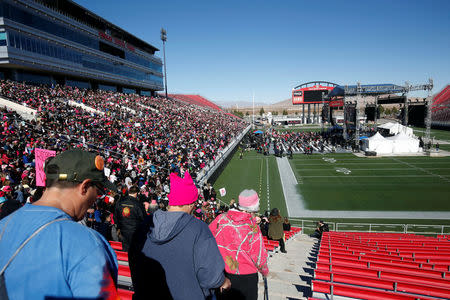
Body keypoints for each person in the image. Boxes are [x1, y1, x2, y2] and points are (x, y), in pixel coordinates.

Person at [0, 149, 118, 299]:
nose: (97, 198)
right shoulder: (87, 243)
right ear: (85, 186)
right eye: (99, 190)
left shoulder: (4, 224)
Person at [129, 172, 230, 300]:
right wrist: (223, 281)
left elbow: (133, 261)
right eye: (193, 204)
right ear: (189, 204)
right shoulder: (199, 229)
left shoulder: (144, 225)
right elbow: (211, 277)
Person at [209, 189, 269, 300]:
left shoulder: (220, 219)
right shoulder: (253, 227)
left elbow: (208, 239)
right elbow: (259, 257)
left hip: (223, 275)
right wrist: (264, 271)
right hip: (246, 279)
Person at [114, 185, 146, 251]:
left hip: (123, 230)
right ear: (136, 193)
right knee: (135, 250)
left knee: (126, 249)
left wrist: (118, 227)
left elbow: (115, 216)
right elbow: (143, 217)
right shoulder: (138, 204)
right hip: (134, 230)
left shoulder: (120, 202)